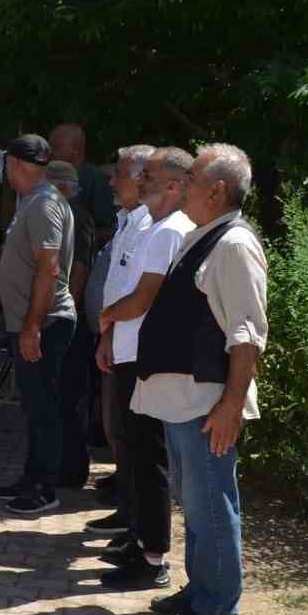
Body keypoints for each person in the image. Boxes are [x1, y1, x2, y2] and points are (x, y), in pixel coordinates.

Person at [129, 144, 268, 615]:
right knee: (195, 499)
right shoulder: (204, 236)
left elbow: (247, 332)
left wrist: (232, 404)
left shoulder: (233, 245)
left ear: (217, 190)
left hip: (207, 402)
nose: (183, 185)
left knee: (211, 502)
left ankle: (217, 609)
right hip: (184, 399)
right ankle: (199, 591)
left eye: (193, 180)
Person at [95, 147, 194, 591]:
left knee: (148, 457)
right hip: (132, 351)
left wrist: (109, 317)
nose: (140, 182)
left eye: (150, 176)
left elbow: (145, 295)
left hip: (148, 358)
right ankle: (141, 540)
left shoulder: (171, 230)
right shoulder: (155, 226)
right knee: (133, 452)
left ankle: (153, 558)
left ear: (175, 186)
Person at [0, 134, 77, 517]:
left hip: (45, 324)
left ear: (16, 165)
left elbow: (49, 267)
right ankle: (30, 479)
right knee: (34, 407)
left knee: (44, 409)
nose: (5, 172)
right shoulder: (32, 201)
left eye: (7, 165)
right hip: (32, 322)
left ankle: (44, 489)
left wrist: (32, 327)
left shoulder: (44, 204)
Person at [83, 146, 154, 534]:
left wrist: (108, 325)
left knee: (133, 439)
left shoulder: (149, 227)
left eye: (120, 174)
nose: (111, 181)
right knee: (118, 434)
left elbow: (138, 292)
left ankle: (138, 525)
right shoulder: (128, 220)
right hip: (116, 343)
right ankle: (128, 512)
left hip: (134, 348)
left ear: (144, 179)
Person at [47, 159, 97, 489]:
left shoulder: (72, 215)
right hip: (73, 318)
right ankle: (67, 467)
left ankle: (69, 470)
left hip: (70, 321)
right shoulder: (78, 213)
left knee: (66, 397)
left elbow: (78, 268)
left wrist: (68, 312)